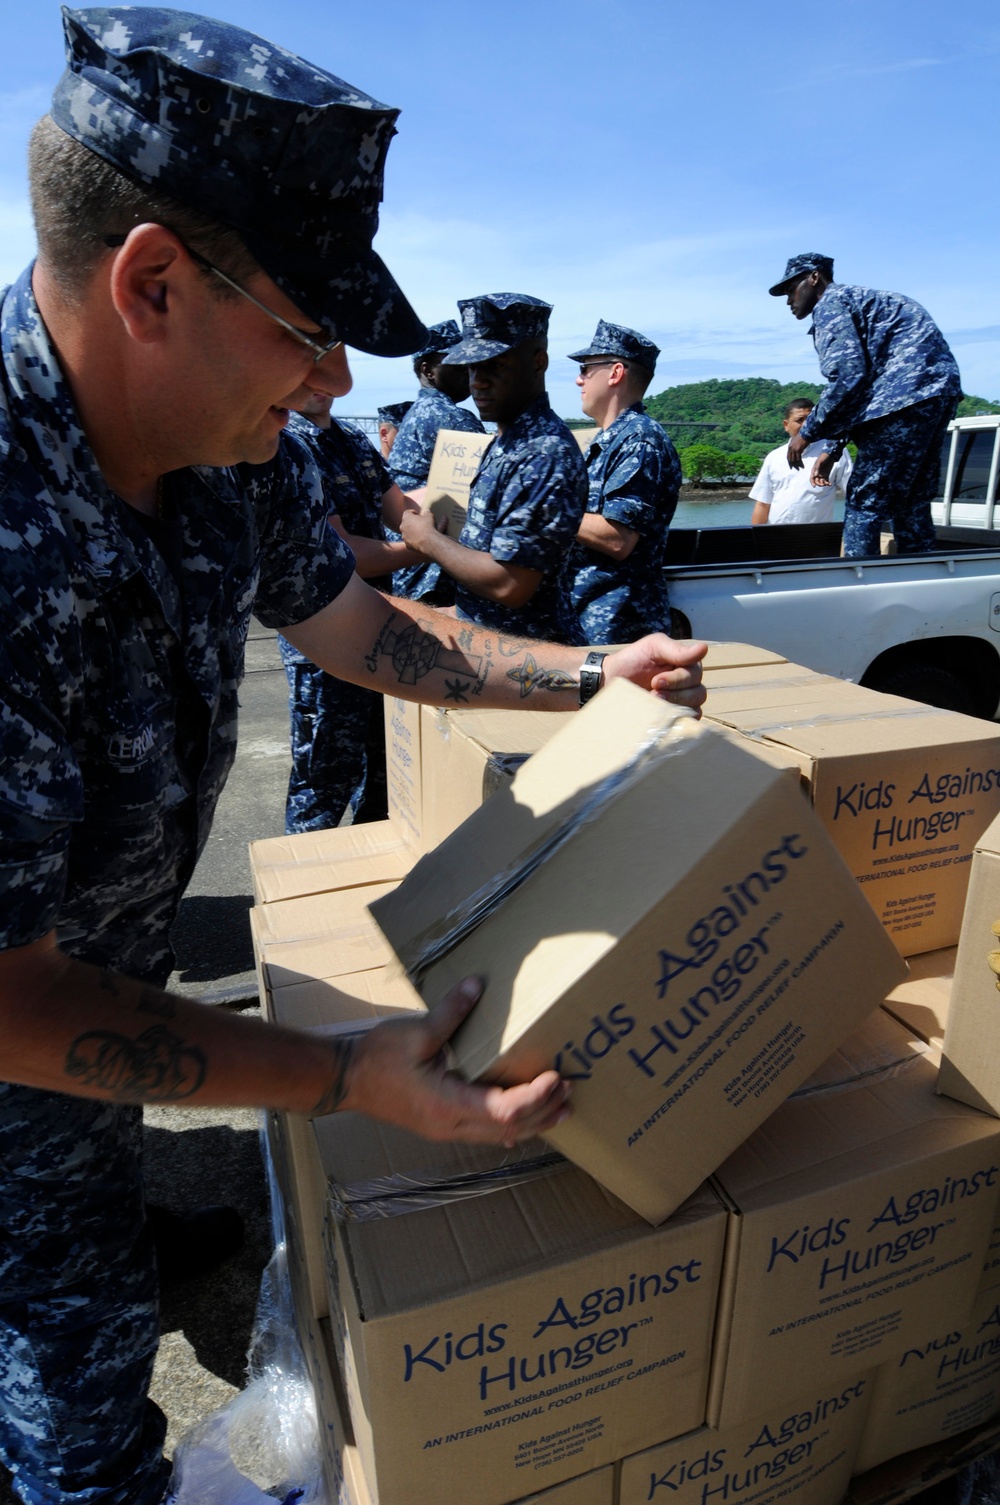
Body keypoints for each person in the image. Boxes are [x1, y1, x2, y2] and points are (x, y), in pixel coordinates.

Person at [0, 12, 706, 1503]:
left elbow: (364, 630)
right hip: (23, 1029)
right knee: (75, 1427)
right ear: (151, 284)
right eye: (309, 332)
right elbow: (8, 1002)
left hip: (90, 1006)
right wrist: (340, 1077)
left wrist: (593, 674)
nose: (330, 386)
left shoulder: (216, 455)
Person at [278, 387, 428, 830]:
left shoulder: (350, 439)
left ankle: (366, 877)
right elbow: (344, 551)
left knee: (384, 776)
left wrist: (450, 514)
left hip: (376, 629)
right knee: (322, 786)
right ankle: (299, 892)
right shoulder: (289, 444)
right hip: (326, 644)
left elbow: (399, 508)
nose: (321, 379)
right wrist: (429, 548)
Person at [400, 293, 588, 643]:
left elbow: (510, 584)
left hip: (532, 666)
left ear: (538, 362)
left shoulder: (542, 453)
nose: (478, 381)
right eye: (472, 367)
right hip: (500, 652)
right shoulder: (508, 441)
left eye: (496, 365)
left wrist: (427, 540)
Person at [770, 252, 962, 557]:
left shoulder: (831, 305)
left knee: (864, 500)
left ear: (814, 278)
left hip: (901, 401)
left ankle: (859, 582)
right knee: (912, 499)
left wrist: (807, 433)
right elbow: (863, 385)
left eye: (791, 289)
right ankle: (921, 575)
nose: (788, 300)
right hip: (937, 396)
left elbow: (848, 377)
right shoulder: (866, 300)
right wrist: (833, 449)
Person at [565, 319, 681, 643]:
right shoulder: (609, 440)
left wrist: (545, 509)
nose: (579, 379)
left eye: (587, 369)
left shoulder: (640, 441)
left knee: (610, 697)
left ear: (615, 373)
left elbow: (618, 538)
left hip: (616, 628)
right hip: (588, 619)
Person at [387, 319, 485, 604]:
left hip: (415, 561)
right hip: (434, 568)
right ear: (428, 370)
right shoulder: (449, 417)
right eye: (456, 363)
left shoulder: (418, 412)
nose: (468, 372)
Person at [749, 397, 853, 527]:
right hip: (776, 537)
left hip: (819, 538)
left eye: (810, 420)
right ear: (786, 425)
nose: (805, 425)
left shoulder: (833, 454)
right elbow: (763, 504)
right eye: (799, 420)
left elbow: (853, 495)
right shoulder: (774, 457)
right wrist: (755, 541)